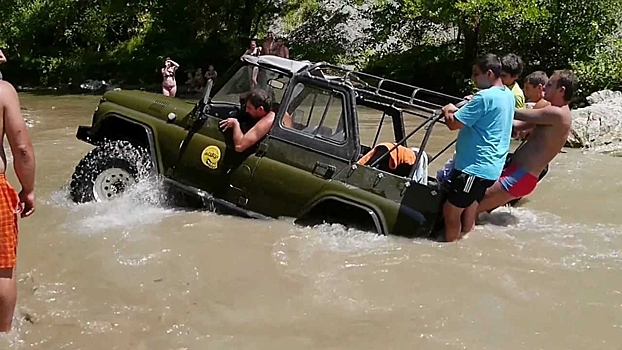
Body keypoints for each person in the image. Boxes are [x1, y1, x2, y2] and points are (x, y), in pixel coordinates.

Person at [476, 70, 577, 215]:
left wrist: (484, 100)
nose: (544, 87)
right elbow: (517, 125)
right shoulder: (551, 111)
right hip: (518, 173)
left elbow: (513, 112)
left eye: (549, 85)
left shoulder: (557, 113)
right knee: (475, 210)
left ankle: (460, 237)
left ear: (561, 91)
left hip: (519, 177)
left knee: (471, 209)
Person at [440, 53, 515, 242]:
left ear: (489, 73)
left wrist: (448, 109)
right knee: (470, 206)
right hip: (491, 167)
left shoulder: (483, 97)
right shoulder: (507, 94)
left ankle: (451, 251)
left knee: (451, 212)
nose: (473, 79)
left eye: (476, 74)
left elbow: (453, 123)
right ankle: (467, 242)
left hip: (474, 168)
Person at [0, 80, 36, 332]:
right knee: (2, 269)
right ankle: (3, 335)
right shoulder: (2, 91)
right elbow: (22, 149)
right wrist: (28, 189)